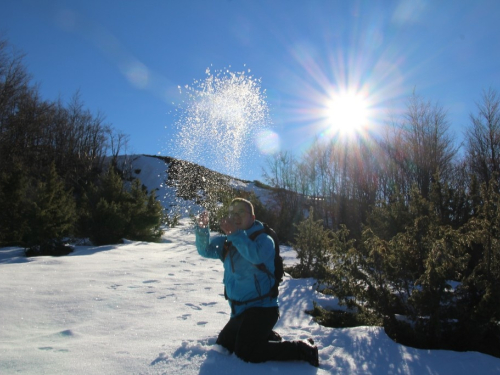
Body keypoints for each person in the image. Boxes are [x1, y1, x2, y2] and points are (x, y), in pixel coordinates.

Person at [195, 197, 319, 367]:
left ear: (252, 218)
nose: (235, 216)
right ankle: (267, 336)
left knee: (246, 352)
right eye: (232, 212)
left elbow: (255, 255)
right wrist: (202, 229)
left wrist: (236, 235)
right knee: (224, 346)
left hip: (263, 309)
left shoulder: (263, 240)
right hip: (239, 311)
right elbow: (205, 250)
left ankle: (302, 349)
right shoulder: (227, 242)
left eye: (241, 212)